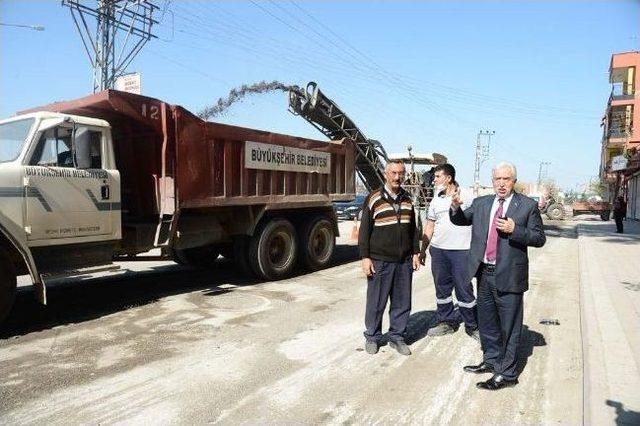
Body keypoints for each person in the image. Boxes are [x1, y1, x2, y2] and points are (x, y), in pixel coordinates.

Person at [449, 161, 546, 390]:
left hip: (510, 276)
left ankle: (508, 373)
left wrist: (516, 230)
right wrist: (454, 207)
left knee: (510, 327)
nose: (501, 184)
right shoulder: (482, 203)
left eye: (506, 179)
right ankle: (491, 360)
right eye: (497, 179)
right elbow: (460, 220)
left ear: (514, 181)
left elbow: (539, 238)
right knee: (488, 323)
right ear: (492, 181)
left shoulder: (527, 206)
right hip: (484, 273)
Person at [359, 160, 421, 356]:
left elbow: (413, 230)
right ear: (386, 174)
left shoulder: (407, 199)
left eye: (401, 174)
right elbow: (364, 230)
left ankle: (397, 336)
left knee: (402, 302)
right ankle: (373, 337)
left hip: (403, 261)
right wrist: (365, 257)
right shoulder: (374, 198)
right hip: (380, 260)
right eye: (393, 173)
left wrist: (415, 252)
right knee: (376, 301)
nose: (397, 177)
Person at [419, 164, 479, 340]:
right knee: (442, 289)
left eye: (438, 176)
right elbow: (430, 225)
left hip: (462, 251)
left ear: (449, 178)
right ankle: (446, 322)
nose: (434, 180)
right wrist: (423, 250)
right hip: (439, 251)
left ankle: (472, 325)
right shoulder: (436, 200)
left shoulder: (467, 195)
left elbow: (477, 219)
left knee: (464, 289)